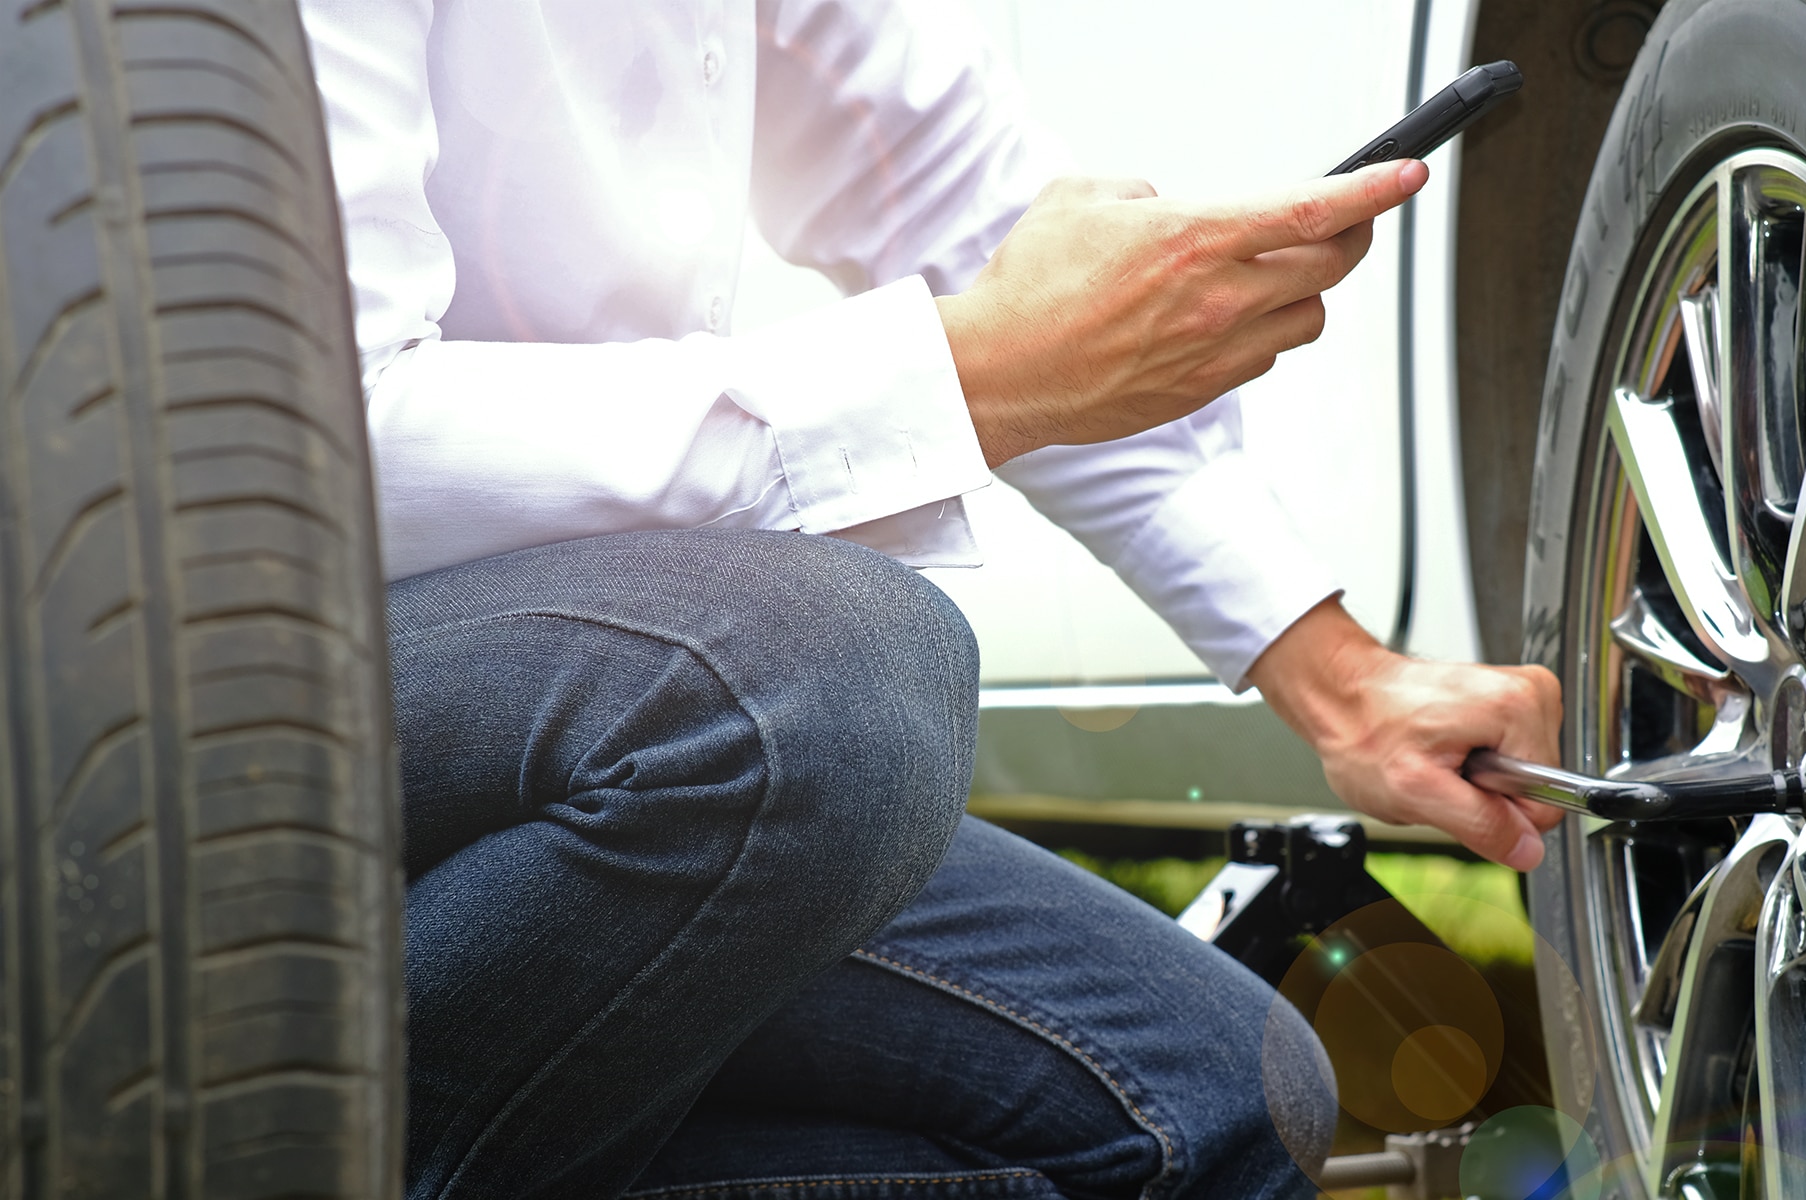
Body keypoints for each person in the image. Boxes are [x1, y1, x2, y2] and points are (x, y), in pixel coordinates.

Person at [301, 0, 1564, 1196]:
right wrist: (978, 368)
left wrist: (1344, 681)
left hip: (593, 726)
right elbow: (303, 437)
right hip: (257, 693)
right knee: (816, 682)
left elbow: (961, 207)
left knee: (1223, 1103)